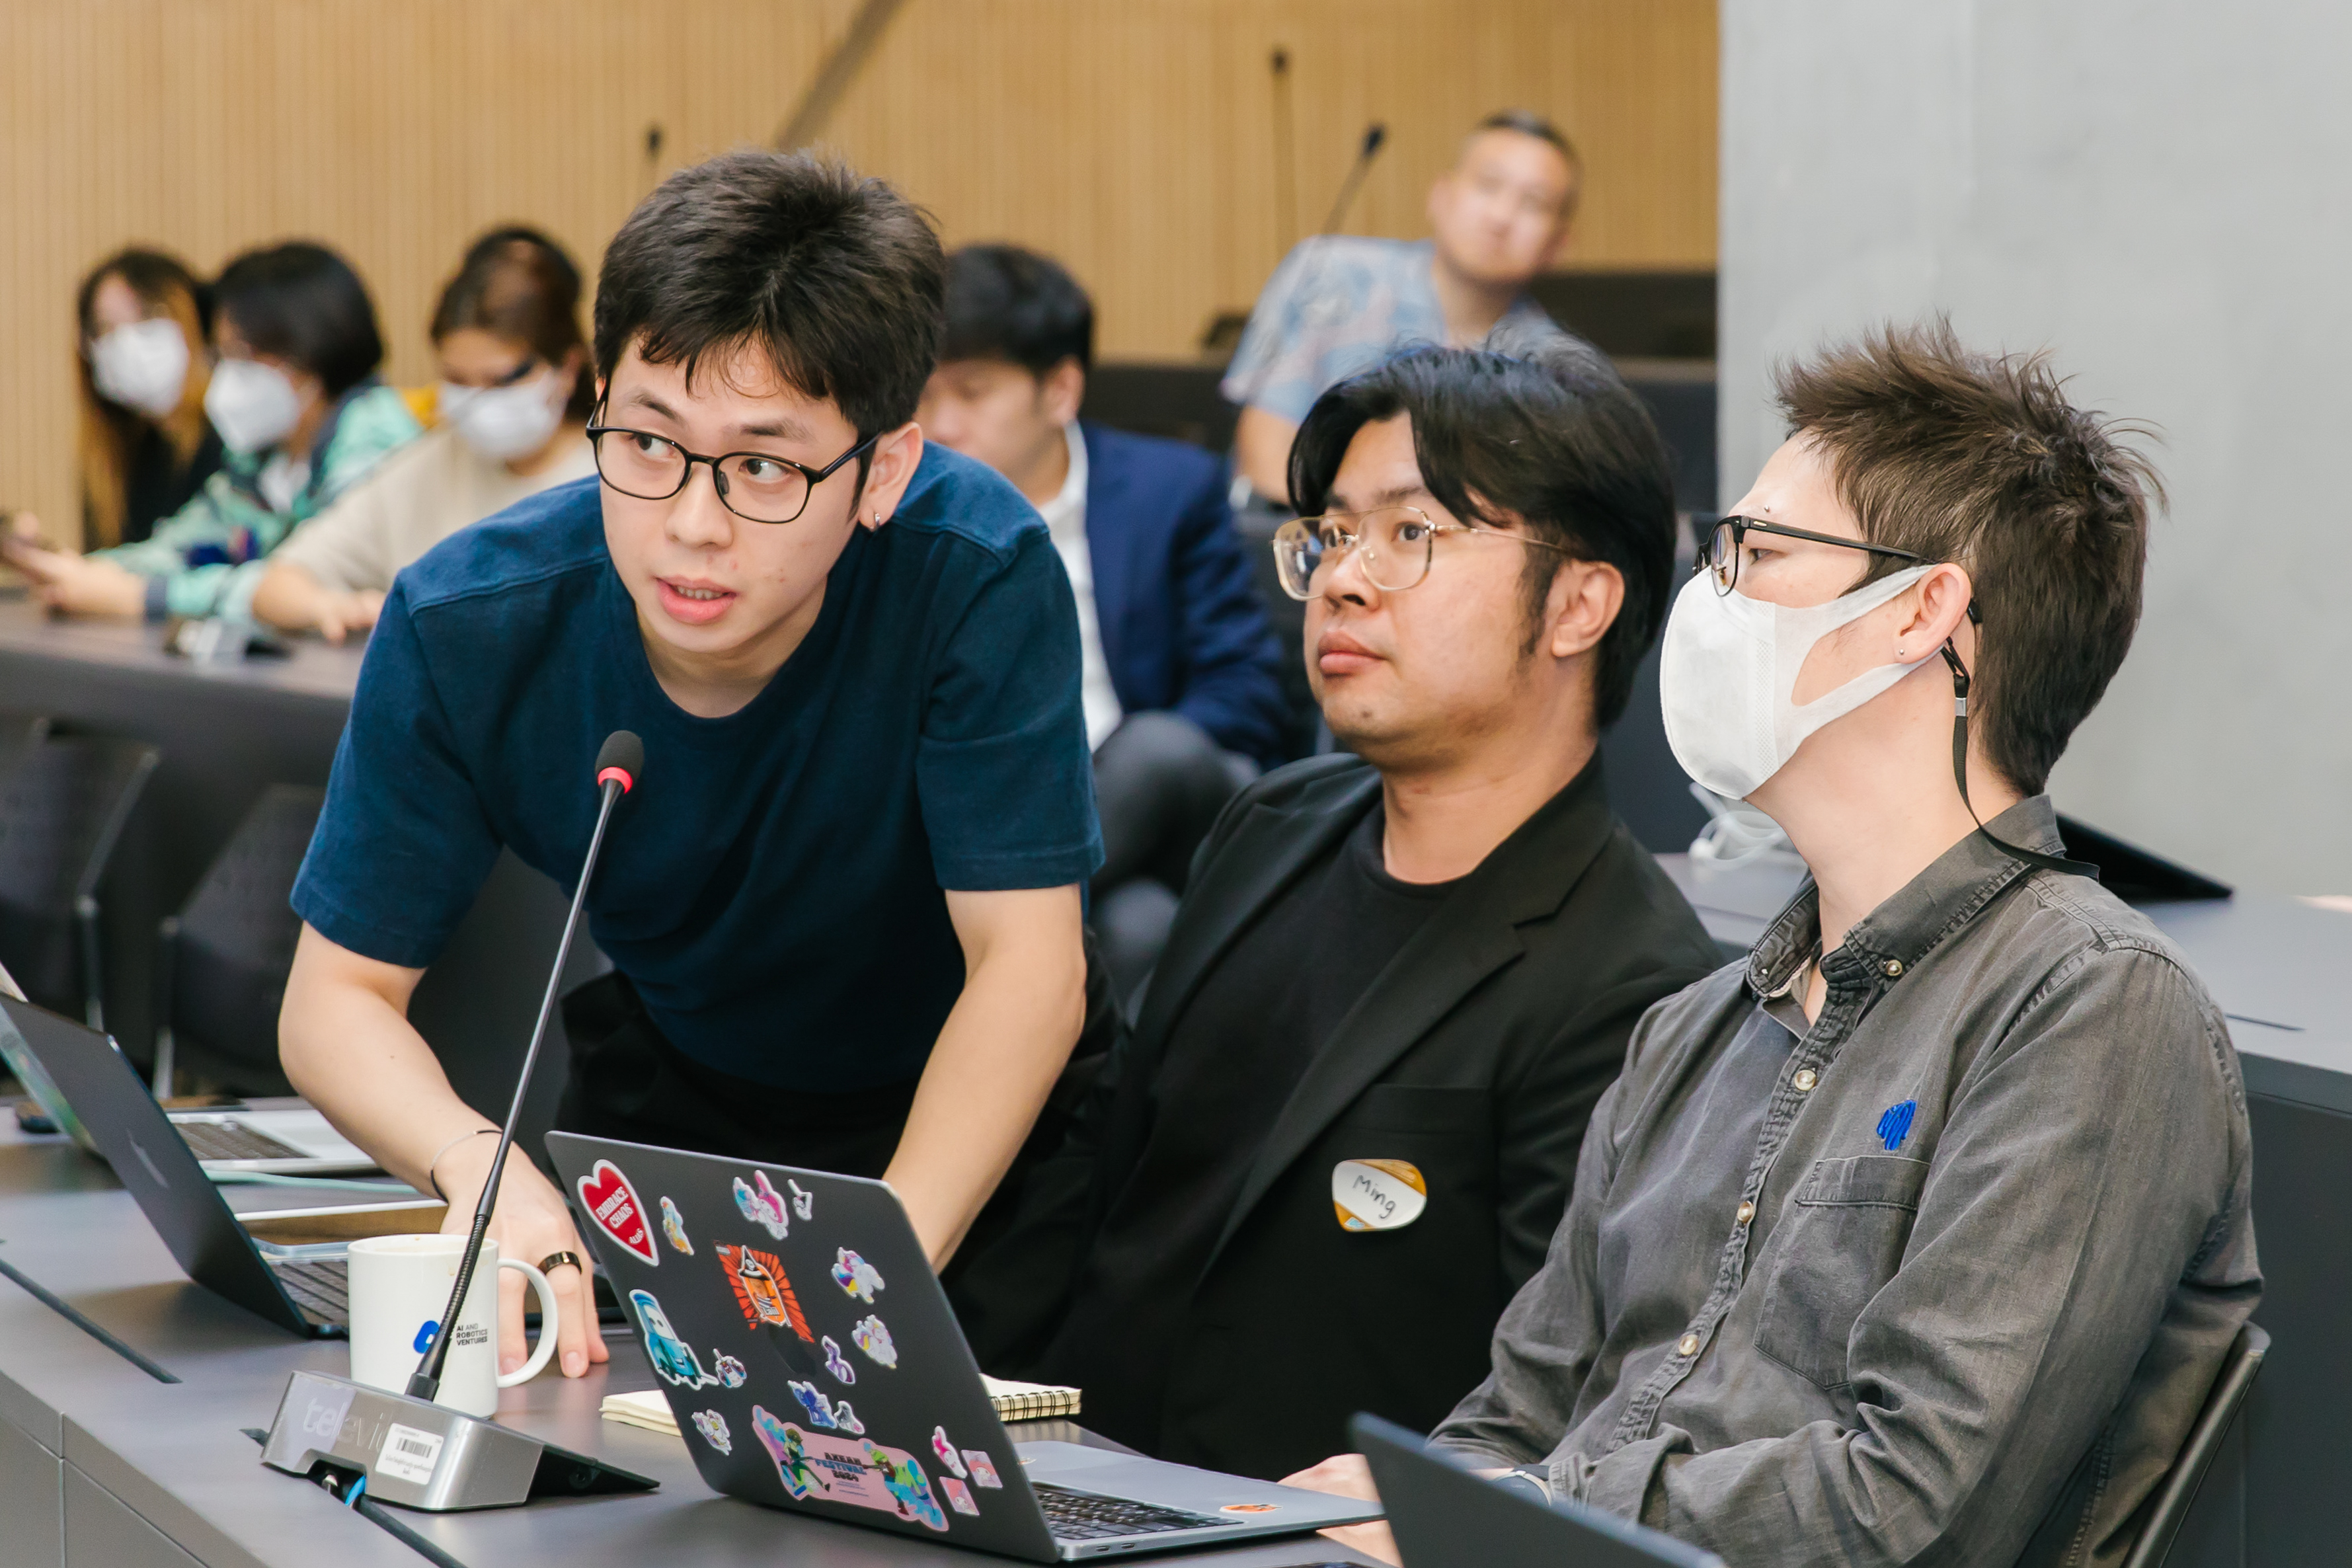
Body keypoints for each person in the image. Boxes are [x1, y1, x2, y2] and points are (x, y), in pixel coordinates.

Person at [1284, 325, 2260, 1567]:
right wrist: (1422, 1500)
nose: (1709, 595)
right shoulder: (1690, 1028)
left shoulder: (2089, 1009)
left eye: (1755, 552)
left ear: (1920, 609)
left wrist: (1516, 1514)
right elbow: (1516, 1415)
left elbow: (1912, 1506)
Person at [278, 152, 1099, 1390]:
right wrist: (474, 1164)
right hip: (681, 1109)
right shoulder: (470, 620)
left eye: (765, 466)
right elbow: (333, 999)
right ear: (599, 397)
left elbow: (1027, 967)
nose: (692, 525)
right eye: (649, 442)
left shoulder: (974, 572)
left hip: (963, 1120)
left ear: (882, 472)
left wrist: (868, 1286)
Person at [951, 341, 1722, 1481]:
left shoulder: (1632, 981)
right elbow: (1118, 1186)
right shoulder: (1270, 826)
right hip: (1078, 1489)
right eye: (1329, 534)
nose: (1340, 578)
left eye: (1410, 534)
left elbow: (1553, 1404)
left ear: (1577, 602)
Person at [918, 245, 1288, 997]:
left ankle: (935, 944)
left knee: (1156, 750)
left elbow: (1245, 691)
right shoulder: (904, 508)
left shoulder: (1167, 490)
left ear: (1059, 389)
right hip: (1026, 830)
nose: (939, 425)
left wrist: (1097, 777)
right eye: (922, 396)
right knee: (1139, 926)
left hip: (1169, 799)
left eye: (971, 391)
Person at [2, 242, 418, 621]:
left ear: (308, 347)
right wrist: (69, 569)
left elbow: (295, 588)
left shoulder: (375, 436)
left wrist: (143, 596)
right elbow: (183, 545)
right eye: (223, 355)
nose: (226, 375)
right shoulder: (266, 457)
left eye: (242, 356)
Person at [1223, 110, 1586, 508]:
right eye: (1488, 185)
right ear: (1440, 196)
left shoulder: (1558, 367)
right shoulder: (1331, 273)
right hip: (1304, 535)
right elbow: (1265, 453)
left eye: (1533, 204)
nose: (1501, 217)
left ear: (1558, 243)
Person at [253, 227, 598, 642]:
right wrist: (332, 607)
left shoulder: (616, 477)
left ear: (567, 368)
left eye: (500, 381)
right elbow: (277, 584)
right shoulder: (425, 468)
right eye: (458, 380)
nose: (478, 402)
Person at [75, 249, 223, 549]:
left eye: (148, 316)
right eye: (106, 329)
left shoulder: (235, 441)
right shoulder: (115, 461)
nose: (128, 343)